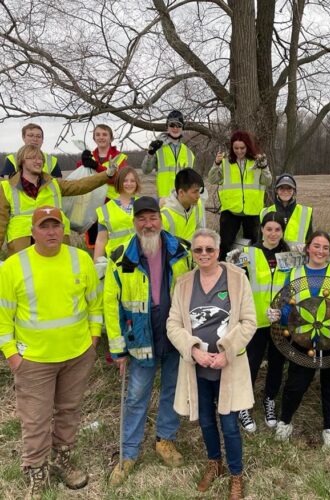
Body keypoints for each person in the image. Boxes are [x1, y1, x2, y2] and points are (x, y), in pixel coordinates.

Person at [0, 206, 103, 498]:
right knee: (36, 418)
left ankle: (62, 458)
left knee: (69, 412)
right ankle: (36, 468)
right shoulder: (13, 266)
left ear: (64, 229)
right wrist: (12, 355)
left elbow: (94, 303)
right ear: (32, 232)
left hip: (77, 354)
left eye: (56, 226)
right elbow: (3, 316)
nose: (51, 232)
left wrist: (93, 339)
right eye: (44, 227)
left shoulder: (80, 259)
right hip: (33, 360)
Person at [104, 196, 189, 486]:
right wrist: (117, 348)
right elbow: (110, 304)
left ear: (161, 220)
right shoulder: (120, 256)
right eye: (142, 219)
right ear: (134, 222)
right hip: (139, 337)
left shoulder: (181, 251)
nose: (148, 224)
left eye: (153, 218)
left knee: (172, 391)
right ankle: (128, 453)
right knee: (136, 397)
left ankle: (165, 440)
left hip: (174, 335)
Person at [167, 228, 256, 500]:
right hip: (198, 367)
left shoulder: (237, 279)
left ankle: (236, 475)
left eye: (209, 249)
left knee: (229, 424)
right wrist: (193, 350)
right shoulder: (183, 283)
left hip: (227, 367)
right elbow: (173, 324)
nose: (204, 254)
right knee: (206, 420)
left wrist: (227, 352)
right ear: (193, 253)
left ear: (218, 251)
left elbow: (249, 322)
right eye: (198, 250)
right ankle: (214, 464)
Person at [272, 231, 330, 448]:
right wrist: (276, 315)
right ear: (308, 248)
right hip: (302, 341)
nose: (321, 251)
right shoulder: (294, 274)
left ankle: (329, 428)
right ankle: (285, 421)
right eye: (316, 246)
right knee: (295, 384)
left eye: (325, 248)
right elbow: (285, 307)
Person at [0, 145, 117, 257]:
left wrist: (107, 174)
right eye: (32, 158)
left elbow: (80, 185)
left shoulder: (54, 184)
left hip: (56, 242)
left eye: (40, 158)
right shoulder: (6, 188)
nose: (38, 161)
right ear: (21, 161)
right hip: (23, 247)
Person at [237, 212, 290, 433]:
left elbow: (295, 286)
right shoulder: (249, 252)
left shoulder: (289, 256)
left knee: (277, 364)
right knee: (251, 363)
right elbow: (238, 281)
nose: (273, 234)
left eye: (277, 229)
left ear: (282, 232)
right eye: (269, 229)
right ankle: (243, 405)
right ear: (262, 229)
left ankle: (270, 400)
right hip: (255, 321)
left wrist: (284, 312)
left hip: (280, 321)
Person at [208, 130, 272, 260]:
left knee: (254, 247)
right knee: (224, 245)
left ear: (248, 146)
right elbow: (212, 179)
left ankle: (251, 275)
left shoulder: (257, 161)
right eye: (236, 148)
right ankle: (223, 272)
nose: (239, 151)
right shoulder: (226, 161)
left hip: (252, 210)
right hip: (230, 210)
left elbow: (268, 181)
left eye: (242, 148)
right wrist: (216, 163)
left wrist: (264, 167)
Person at [76, 124, 128, 249]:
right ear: (94, 138)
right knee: (94, 242)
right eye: (97, 135)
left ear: (111, 138)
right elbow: (80, 178)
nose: (101, 137)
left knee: (115, 239)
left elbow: (119, 179)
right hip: (92, 205)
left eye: (105, 134)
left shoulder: (119, 157)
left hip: (113, 204)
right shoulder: (90, 156)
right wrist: (82, 164)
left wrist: (96, 167)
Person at [141, 110, 195, 198]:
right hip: (164, 202)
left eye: (179, 125)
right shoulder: (158, 148)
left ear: (182, 128)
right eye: (172, 125)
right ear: (167, 127)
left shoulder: (189, 153)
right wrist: (150, 153)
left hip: (184, 201)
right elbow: (145, 170)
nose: (175, 128)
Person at [94, 166, 141, 261]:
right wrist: (97, 265)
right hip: (117, 261)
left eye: (132, 181)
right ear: (119, 182)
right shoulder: (105, 210)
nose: (129, 184)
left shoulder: (143, 204)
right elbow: (101, 241)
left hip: (141, 258)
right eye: (125, 181)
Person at [260, 173, 313, 246]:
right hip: (271, 256)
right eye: (281, 188)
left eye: (289, 188)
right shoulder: (265, 212)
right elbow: (260, 241)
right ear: (276, 191)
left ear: (294, 191)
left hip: (297, 256)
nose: (285, 191)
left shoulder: (306, 212)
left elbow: (310, 240)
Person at [160, 168, 205, 242]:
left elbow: (200, 232)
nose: (198, 196)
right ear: (181, 193)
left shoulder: (197, 204)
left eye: (199, 191)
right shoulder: (164, 216)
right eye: (195, 192)